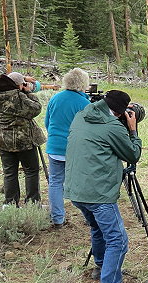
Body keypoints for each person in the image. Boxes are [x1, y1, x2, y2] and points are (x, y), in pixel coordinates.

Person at [64, 90, 142, 283]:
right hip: (97, 194)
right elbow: (132, 155)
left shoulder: (82, 115)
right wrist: (133, 130)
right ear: (119, 112)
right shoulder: (113, 126)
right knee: (118, 240)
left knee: (98, 230)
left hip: (76, 190)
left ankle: (101, 268)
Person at [0, 72, 46, 207]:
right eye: (22, 84)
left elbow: (6, 81)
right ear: (17, 86)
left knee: (9, 172)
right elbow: (36, 109)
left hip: (1, 140)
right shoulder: (16, 97)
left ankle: (10, 204)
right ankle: (32, 204)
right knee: (31, 170)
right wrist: (28, 92)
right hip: (22, 141)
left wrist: (22, 79)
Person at [44, 68, 90, 228]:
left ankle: (57, 218)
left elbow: (47, 123)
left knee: (55, 182)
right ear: (84, 84)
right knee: (81, 183)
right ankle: (89, 217)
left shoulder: (55, 98)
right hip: (75, 150)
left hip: (55, 148)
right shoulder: (84, 103)